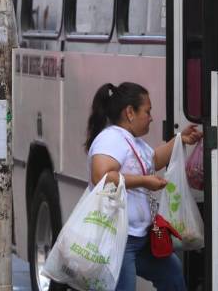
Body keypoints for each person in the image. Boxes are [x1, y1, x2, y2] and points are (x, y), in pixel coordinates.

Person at [84, 82, 202, 291]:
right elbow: (101, 175)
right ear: (130, 112)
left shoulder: (133, 141)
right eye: (147, 111)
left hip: (141, 238)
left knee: (172, 274)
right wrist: (145, 181)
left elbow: (153, 160)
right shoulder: (111, 138)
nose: (151, 117)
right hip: (120, 241)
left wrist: (180, 140)